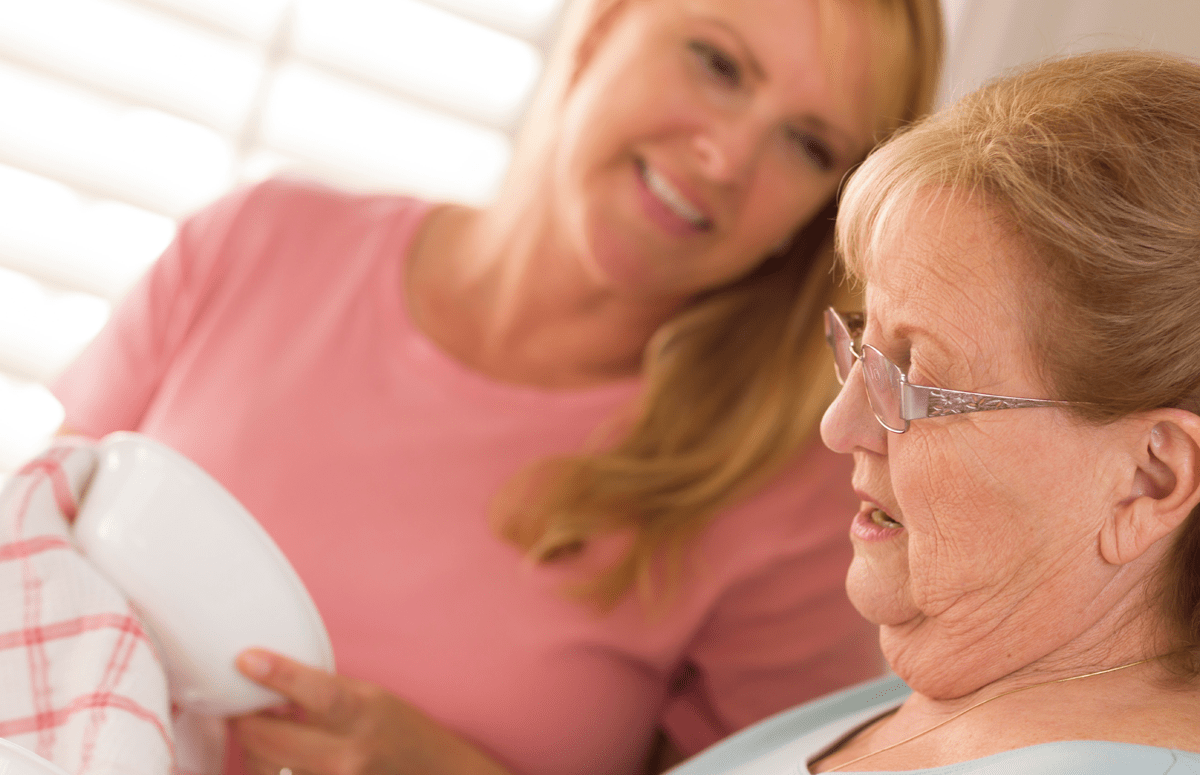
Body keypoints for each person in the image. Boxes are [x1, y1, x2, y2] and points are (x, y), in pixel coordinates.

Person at [50, 0, 942, 773]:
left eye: (806, 141)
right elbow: (27, 553)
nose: (724, 157)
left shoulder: (798, 499)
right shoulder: (253, 244)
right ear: (604, 26)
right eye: (717, 64)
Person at [663, 48, 1200, 775]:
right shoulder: (941, 693)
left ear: (1150, 478)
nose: (839, 426)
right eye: (861, 346)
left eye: (914, 377)